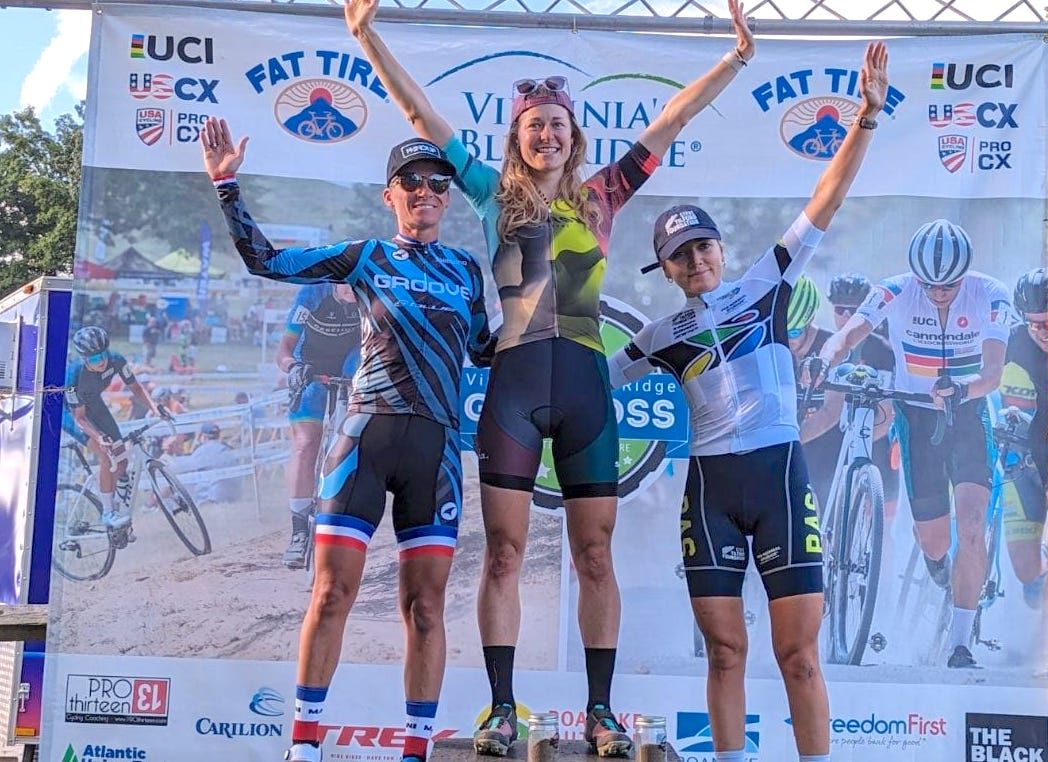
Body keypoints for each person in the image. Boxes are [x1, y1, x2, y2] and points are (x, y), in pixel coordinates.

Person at [346, 0, 755, 753]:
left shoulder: (602, 196)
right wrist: (365, 37)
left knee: (593, 555)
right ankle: (502, 710)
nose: (545, 133)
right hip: (514, 385)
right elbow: (418, 111)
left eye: (556, 123)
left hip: (583, 393)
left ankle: (600, 713)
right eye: (533, 123)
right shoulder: (490, 195)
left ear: (572, 135)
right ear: (517, 136)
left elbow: (669, 118)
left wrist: (733, 58)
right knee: (502, 554)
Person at [608, 42, 888, 762]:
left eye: (704, 247)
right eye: (681, 254)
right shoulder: (657, 334)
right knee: (725, 653)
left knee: (798, 655)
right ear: (664, 269)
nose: (696, 260)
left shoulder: (765, 283)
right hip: (710, 487)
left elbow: (824, 202)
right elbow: (591, 380)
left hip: (778, 477)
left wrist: (865, 120)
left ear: (721, 251)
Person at [199, 117, 493, 762]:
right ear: (389, 194)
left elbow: (485, 348)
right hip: (365, 437)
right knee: (331, 594)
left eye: (438, 183)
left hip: (436, 452)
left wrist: (544, 309)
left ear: (448, 196)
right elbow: (266, 260)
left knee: (425, 608)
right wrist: (226, 186)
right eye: (410, 181)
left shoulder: (466, 269)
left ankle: (414, 750)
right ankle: (303, 747)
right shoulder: (366, 255)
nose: (426, 192)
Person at [819, 219, 1015, 669]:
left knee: (970, 522)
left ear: (965, 275)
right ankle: (937, 565)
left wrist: (962, 390)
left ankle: (961, 644)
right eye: (929, 284)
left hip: (967, 412)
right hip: (916, 412)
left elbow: (992, 373)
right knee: (933, 541)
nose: (939, 292)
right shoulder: (893, 289)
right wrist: (824, 357)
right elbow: (851, 332)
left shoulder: (992, 293)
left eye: (949, 285)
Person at [788, 274, 898, 514]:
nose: (847, 317)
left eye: (854, 310)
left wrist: (855, 448)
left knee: (873, 517)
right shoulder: (786, 347)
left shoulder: (877, 349)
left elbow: (883, 412)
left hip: (868, 438)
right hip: (818, 439)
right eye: (840, 310)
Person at [278, 283, 363, 569]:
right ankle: (299, 530)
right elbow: (284, 350)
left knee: (351, 439)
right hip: (310, 366)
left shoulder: (370, 294)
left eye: (358, 283)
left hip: (350, 363)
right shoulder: (312, 295)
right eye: (347, 284)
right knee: (305, 445)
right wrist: (292, 367)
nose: (353, 290)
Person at [64, 325, 170, 532]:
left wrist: (155, 408)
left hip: (94, 404)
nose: (101, 361)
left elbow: (137, 389)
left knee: (121, 458)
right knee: (106, 453)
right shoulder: (74, 375)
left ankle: (116, 492)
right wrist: (99, 437)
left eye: (103, 355)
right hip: (69, 413)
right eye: (94, 359)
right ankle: (107, 513)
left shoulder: (116, 360)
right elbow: (80, 418)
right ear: (84, 358)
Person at [996, 268, 1048, 609]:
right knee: (1025, 570)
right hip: (1024, 459)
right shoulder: (1012, 341)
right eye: (1035, 324)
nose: (1044, 332)